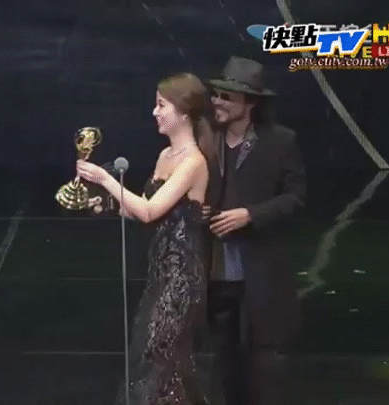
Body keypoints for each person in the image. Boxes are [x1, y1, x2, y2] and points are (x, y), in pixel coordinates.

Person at [76, 72, 215, 405]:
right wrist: (106, 205)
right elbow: (142, 208)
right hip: (159, 275)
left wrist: (106, 179)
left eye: (161, 105)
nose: (155, 112)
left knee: (159, 360)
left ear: (183, 111)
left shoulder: (193, 162)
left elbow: (151, 211)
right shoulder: (166, 156)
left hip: (181, 279)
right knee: (162, 362)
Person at [201, 56, 306, 405]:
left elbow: (295, 198)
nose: (217, 102)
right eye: (216, 94)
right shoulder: (205, 138)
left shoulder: (281, 141)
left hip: (260, 268)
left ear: (250, 103)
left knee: (263, 360)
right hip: (216, 268)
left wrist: (251, 214)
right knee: (225, 359)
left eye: (227, 97)